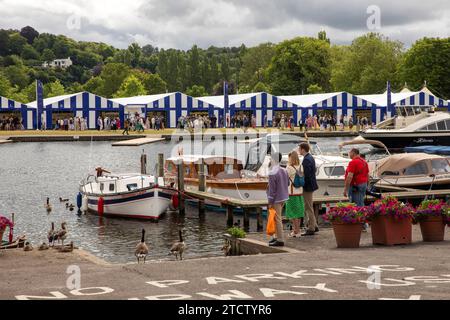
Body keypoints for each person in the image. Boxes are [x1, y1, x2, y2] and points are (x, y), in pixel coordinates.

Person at [266, 152, 289, 247]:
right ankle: (276, 237)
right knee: (277, 218)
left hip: (276, 199)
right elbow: (287, 183)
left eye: (271, 158)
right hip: (283, 197)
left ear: (274, 160)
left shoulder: (272, 172)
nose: (270, 160)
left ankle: (280, 239)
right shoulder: (284, 170)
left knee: (277, 218)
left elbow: (272, 190)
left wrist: (270, 202)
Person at [299, 143, 319, 236]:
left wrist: (301, 182)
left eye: (299, 149)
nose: (298, 150)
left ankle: (311, 228)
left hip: (307, 186)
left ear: (303, 149)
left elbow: (306, 175)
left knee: (308, 207)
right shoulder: (310, 157)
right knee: (309, 205)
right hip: (311, 185)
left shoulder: (306, 160)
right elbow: (313, 171)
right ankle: (314, 225)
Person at [286, 151, 305, 237]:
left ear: (291, 158)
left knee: (293, 213)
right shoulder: (301, 166)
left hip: (292, 192)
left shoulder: (289, 168)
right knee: (299, 212)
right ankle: (298, 230)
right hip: (300, 192)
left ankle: (296, 231)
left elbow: (285, 178)